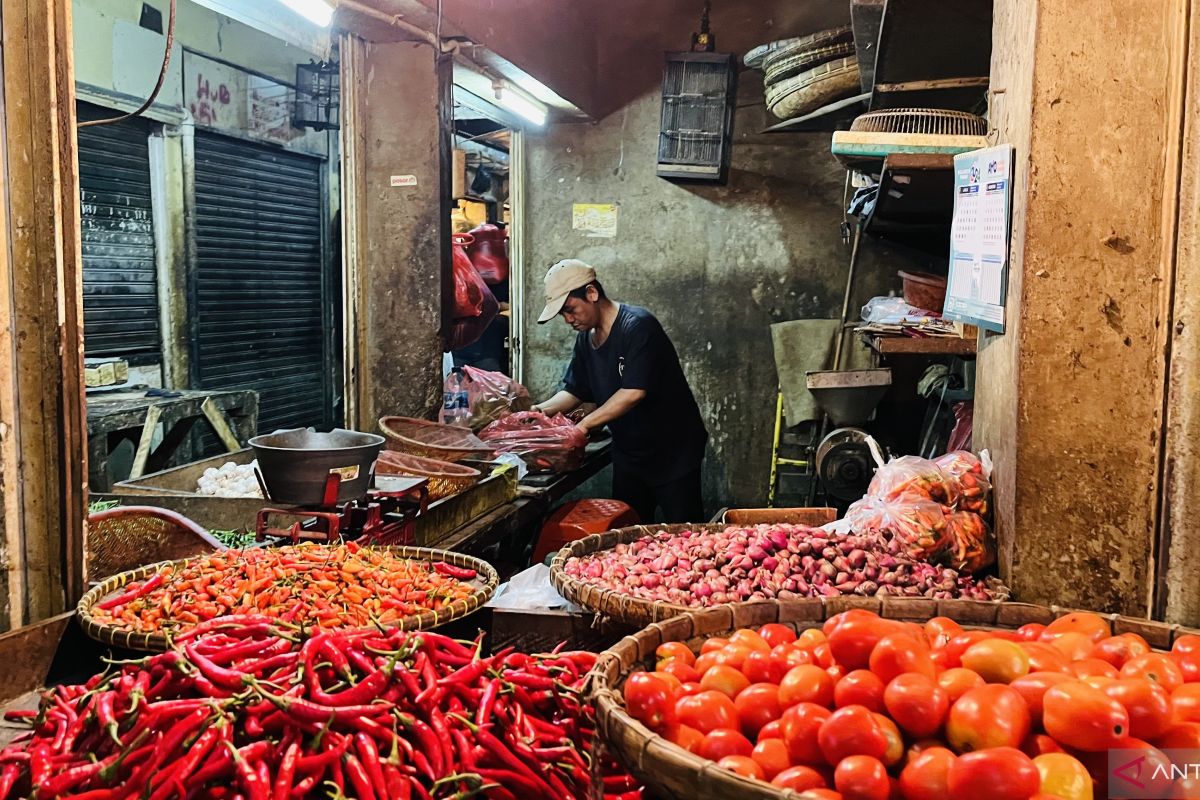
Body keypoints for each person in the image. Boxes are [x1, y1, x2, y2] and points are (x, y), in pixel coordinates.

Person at [532, 259, 708, 523]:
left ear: (591, 293)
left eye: (571, 310)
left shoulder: (637, 326)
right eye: (563, 315)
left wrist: (582, 427)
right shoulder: (585, 339)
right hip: (629, 455)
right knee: (628, 537)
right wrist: (537, 412)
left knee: (685, 534)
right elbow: (575, 391)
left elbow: (633, 392)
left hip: (673, 452)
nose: (568, 319)